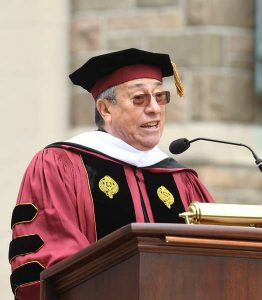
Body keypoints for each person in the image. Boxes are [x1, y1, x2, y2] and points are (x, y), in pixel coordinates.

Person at [9, 48, 214, 299]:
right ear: (105, 109)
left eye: (160, 97)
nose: (155, 109)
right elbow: (49, 259)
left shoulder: (182, 181)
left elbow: (216, 257)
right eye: (139, 98)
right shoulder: (60, 165)